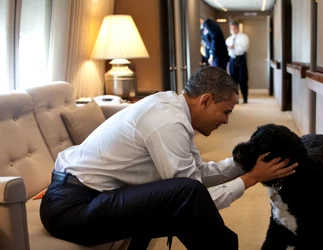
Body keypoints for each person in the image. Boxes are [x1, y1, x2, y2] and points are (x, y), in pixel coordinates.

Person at [39, 66, 297, 250]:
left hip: (88, 197)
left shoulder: (174, 112)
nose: (226, 121)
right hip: (72, 210)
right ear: (205, 100)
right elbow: (191, 194)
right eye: (224, 112)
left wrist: (241, 164)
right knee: (186, 197)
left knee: (186, 201)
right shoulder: (169, 121)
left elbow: (196, 174)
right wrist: (251, 178)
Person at [226, 20, 250, 104]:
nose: (233, 30)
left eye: (234, 28)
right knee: (233, 81)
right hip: (232, 59)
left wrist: (234, 46)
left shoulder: (244, 37)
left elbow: (244, 48)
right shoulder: (228, 39)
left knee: (243, 80)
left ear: (237, 28)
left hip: (241, 59)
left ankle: (245, 98)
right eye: (231, 28)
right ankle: (235, 99)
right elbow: (228, 51)